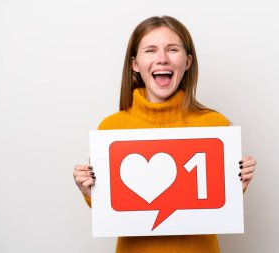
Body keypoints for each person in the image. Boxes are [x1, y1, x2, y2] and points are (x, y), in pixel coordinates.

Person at [73, 15, 257, 253]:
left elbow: (217, 206)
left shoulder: (215, 126)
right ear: (135, 64)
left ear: (188, 61)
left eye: (172, 49)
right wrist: (91, 192)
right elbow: (113, 210)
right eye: (150, 50)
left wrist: (237, 182)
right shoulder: (112, 129)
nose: (162, 59)